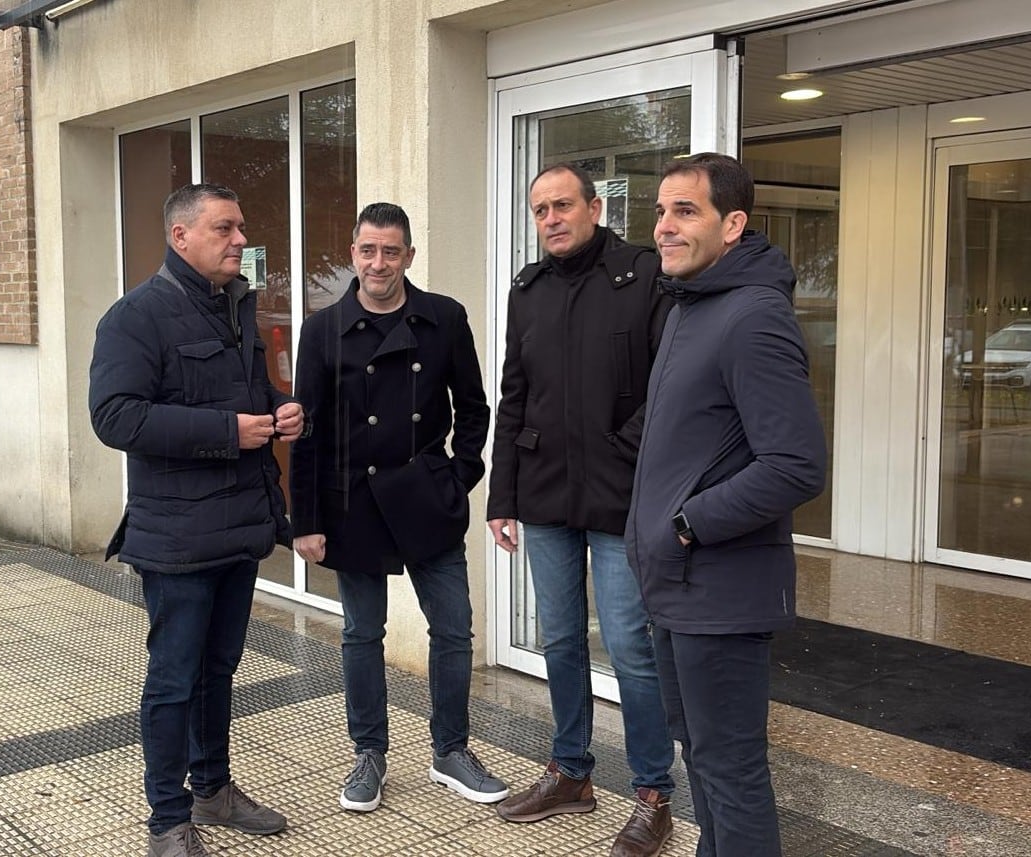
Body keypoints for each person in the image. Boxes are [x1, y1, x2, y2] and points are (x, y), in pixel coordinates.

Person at [89, 183, 302, 857]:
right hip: (176, 538)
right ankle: (167, 820)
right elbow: (114, 416)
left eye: (240, 227)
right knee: (174, 679)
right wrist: (225, 431)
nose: (240, 239)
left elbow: (245, 392)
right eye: (225, 228)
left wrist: (280, 407)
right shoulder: (135, 317)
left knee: (219, 668)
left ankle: (213, 789)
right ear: (181, 236)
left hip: (239, 528)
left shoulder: (235, 307)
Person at [626, 153, 827, 857]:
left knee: (732, 775)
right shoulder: (690, 306)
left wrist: (687, 523)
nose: (665, 226)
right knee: (703, 763)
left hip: (721, 588)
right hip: (677, 587)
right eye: (660, 210)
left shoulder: (753, 316)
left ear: (733, 223)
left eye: (686, 211)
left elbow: (797, 464)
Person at [290, 202, 508, 814]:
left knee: (454, 629)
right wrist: (303, 520)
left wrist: (455, 476)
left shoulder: (443, 318)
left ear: (408, 256)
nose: (378, 262)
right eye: (367, 250)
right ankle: (369, 754)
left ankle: (451, 751)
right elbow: (307, 430)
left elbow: (474, 408)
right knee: (362, 634)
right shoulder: (323, 329)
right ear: (353, 254)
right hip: (352, 503)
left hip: (425, 500)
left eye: (391, 251)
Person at [488, 163, 676, 857]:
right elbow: (514, 396)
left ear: (595, 206)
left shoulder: (642, 275)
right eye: (540, 210)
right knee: (560, 640)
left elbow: (668, 385)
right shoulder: (528, 290)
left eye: (563, 205)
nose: (552, 219)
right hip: (543, 493)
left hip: (619, 495)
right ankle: (571, 771)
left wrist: (624, 453)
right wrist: (501, 495)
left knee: (628, 644)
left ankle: (653, 792)